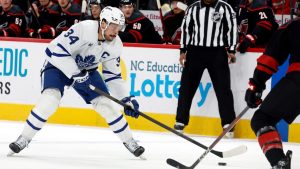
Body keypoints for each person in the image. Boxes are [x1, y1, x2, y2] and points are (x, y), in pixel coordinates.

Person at [8, 6, 145, 158]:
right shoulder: (84, 29)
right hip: (58, 65)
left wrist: (126, 99)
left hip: (87, 71)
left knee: (106, 105)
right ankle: (24, 138)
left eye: (119, 27)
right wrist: (75, 73)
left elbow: (113, 76)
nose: (116, 31)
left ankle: (130, 141)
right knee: (50, 100)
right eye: (113, 26)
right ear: (103, 23)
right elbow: (55, 50)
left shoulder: (116, 44)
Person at [174, 0, 237, 138]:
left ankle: (228, 123)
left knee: (223, 88)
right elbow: (186, 29)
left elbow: (232, 28)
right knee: (186, 87)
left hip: (217, 52)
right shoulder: (192, 8)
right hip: (195, 52)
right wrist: (182, 51)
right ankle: (180, 120)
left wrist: (232, 50)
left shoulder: (225, 7)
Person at [244, 17, 300, 169]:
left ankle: (279, 163)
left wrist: (255, 85)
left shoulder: (293, 26)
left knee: (262, 119)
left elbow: (270, 58)